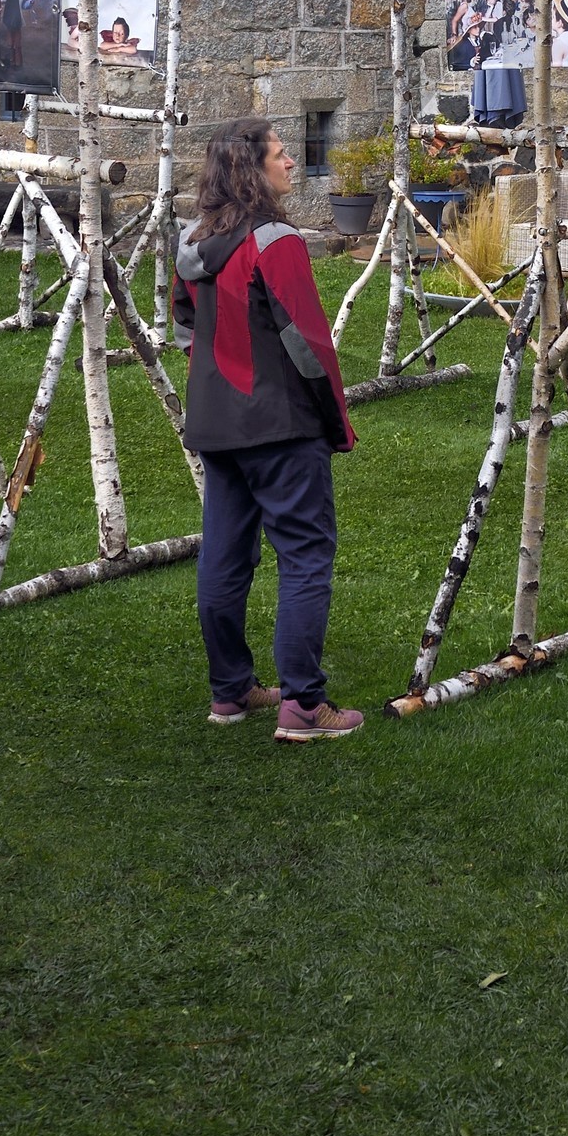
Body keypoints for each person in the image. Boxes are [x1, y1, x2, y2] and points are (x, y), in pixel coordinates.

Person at [173, 118, 363, 741]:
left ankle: (230, 692)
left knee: (224, 558)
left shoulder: (193, 240)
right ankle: (304, 707)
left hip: (215, 424)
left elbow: (182, 322)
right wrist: (334, 421)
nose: (289, 163)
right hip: (279, 425)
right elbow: (310, 346)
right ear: (251, 171)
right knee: (306, 558)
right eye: (281, 155)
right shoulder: (276, 242)